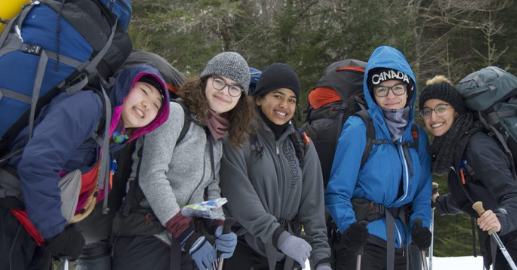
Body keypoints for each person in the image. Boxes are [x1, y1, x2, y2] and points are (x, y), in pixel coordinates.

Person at [0, 64, 171, 269]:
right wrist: (56, 232)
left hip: (36, 231)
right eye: (144, 91)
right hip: (12, 217)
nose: (147, 105)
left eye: (156, 105)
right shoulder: (89, 106)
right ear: (125, 85)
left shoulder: (112, 138)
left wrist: (66, 230)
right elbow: (38, 162)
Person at [111, 52, 254, 270]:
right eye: (219, 81)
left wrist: (218, 225)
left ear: (241, 97)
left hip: (183, 241)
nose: (225, 92)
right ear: (205, 81)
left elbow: (212, 189)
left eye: (234, 88)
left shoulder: (215, 135)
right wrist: (186, 235)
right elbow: (152, 176)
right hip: (146, 237)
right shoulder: (176, 114)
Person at [325, 45, 433, 270]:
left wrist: (421, 224)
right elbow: (337, 189)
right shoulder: (359, 128)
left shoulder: (416, 135)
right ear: (372, 93)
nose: (391, 96)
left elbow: (422, 191)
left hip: (404, 240)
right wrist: (349, 226)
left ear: (409, 90)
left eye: (397, 88)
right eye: (382, 89)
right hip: (365, 240)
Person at [219, 63, 332, 270]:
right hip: (245, 251)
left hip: (287, 255)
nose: (284, 106)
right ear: (260, 99)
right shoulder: (237, 139)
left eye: (291, 100)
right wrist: (280, 237)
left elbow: (313, 209)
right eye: (278, 96)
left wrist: (321, 259)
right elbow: (241, 201)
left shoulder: (302, 146)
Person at [419, 76, 517, 269]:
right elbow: (474, 191)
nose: (433, 118)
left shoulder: (477, 146)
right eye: (427, 111)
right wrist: (440, 204)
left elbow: (516, 196)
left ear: (457, 111)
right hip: (499, 237)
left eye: (441, 108)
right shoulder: (456, 145)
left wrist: (501, 218)